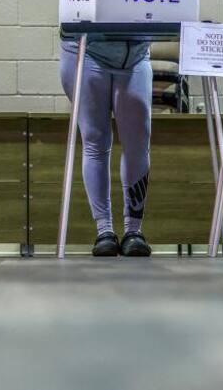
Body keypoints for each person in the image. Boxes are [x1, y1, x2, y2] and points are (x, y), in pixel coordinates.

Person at [60, 38, 153, 257]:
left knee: (137, 143)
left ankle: (133, 231)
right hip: (85, 49)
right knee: (95, 140)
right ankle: (104, 231)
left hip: (135, 53)